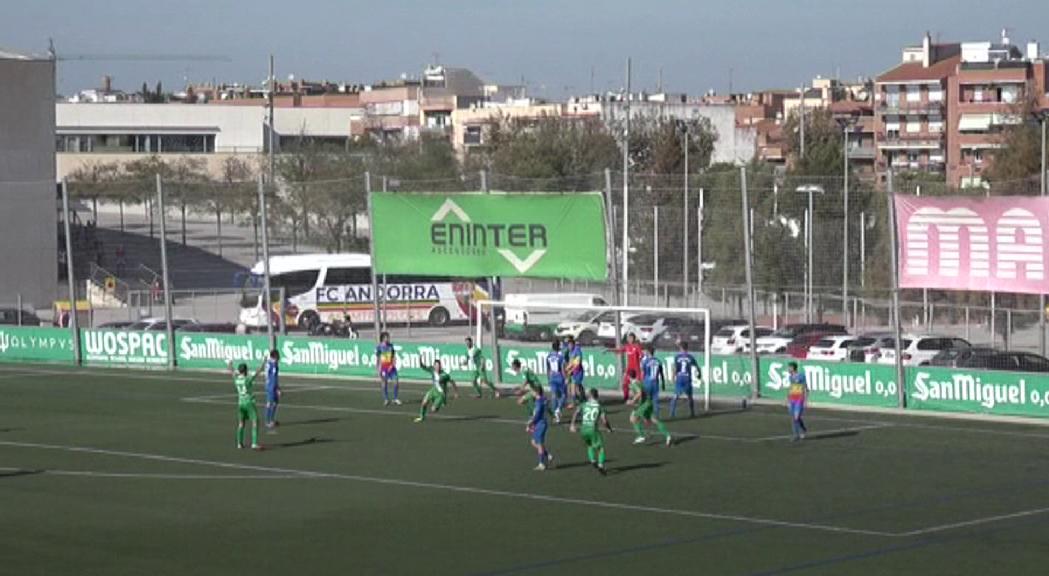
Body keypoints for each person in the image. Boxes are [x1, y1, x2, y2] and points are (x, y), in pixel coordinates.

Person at [516, 359, 554, 471]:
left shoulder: (538, 403)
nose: (531, 392)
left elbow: (536, 415)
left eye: (532, 391)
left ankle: (542, 464)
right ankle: (548, 456)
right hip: (539, 423)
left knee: (539, 444)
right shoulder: (540, 400)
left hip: (540, 424)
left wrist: (530, 423)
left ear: (535, 392)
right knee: (534, 442)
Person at [631, 347, 672, 447]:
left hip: (648, 385)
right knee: (652, 417)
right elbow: (661, 373)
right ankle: (667, 435)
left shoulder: (646, 361)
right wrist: (663, 383)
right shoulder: (658, 361)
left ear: (648, 352)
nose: (644, 353)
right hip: (656, 385)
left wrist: (633, 400)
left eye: (645, 351)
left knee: (634, 417)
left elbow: (643, 373)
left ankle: (641, 435)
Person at [570, 388, 613, 475]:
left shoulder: (584, 404)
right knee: (600, 448)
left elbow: (576, 412)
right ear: (597, 396)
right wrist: (609, 428)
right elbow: (604, 420)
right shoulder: (599, 406)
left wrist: (572, 424)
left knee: (589, 445)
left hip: (583, 429)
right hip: (592, 429)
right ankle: (600, 465)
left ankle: (593, 460)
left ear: (589, 396)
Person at [228, 360, 264, 450]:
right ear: (245, 370)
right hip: (249, 402)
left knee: (241, 423)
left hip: (240, 403)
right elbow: (258, 371)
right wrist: (264, 362)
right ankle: (254, 443)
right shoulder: (247, 379)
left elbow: (232, 372)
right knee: (255, 421)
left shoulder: (236, 379)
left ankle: (239, 443)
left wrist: (230, 365)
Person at [606, 333, 643, 403]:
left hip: (636, 369)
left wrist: (641, 361)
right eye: (628, 338)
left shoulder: (637, 346)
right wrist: (609, 350)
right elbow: (619, 350)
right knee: (625, 384)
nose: (629, 339)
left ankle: (640, 399)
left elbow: (641, 355)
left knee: (638, 385)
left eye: (631, 338)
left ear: (634, 339)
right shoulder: (627, 346)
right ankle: (626, 398)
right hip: (629, 368)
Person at [671, 341, 700, 419]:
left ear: (680, 348)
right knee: (690, 397)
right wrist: (699, 374)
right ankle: (692, 413)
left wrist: (673, 377)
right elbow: (697, 367)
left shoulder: (677, 357)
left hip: (680, 378)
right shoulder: (690, 357)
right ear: (687, 348)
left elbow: (675, 368)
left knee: (675, 396)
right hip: (687, 378)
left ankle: (672, 413)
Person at [376, 332, 401, 406]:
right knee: (384, 384)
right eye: (387, 337)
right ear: (383, 338)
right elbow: (378, 359)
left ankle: (395, 398)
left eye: (388, 337)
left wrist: (393, 364)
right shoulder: (379, 347)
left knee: (396, 382)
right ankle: (386, 399)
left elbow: (394, 356)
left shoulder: (391, 346)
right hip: (384, 368)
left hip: (391, 367)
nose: (388, 339)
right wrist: (378, 368)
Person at [547, 340, 568, 423]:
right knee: (564, 395)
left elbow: (548, 369)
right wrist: (565, 377)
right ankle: (558, 409)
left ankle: (555, 413)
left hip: (552, 377)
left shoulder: (549, 356)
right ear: (558, 347)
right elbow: (562, 368)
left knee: (554, 395)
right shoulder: (560, 356)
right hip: (559, 377)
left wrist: (548, 378)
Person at [787, 361, 808, 441]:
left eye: (789, 367)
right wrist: (788, 399)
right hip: (792, 398)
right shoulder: (790, 377)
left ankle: (802, 429)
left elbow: (805, 388)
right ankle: (796, 435)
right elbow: (791, 388)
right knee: (793, 418)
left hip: (799, 399)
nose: (788, 369)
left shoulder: (801, 376)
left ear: (793, 368)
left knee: (796, 417)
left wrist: (805, 400)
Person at [565, 336, 586, 408]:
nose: (569, 346)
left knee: (575, 387)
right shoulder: (570, 352)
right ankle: (582, 399)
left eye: (570, 345)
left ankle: (578, 402)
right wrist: (568, 368)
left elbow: (578, 363)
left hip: (578, 372)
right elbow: (571, 362)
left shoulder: (577, 351)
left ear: (573, 344)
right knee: (574, 387)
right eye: (568, 345)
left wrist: (570, 369)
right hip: (573, 372)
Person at [264, 349, 281, 429]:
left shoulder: (269, 363)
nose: (279, 357)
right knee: (270, 403)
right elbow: (274, 377)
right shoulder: (274, 364)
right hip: (272, 386)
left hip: (270, 385)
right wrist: (277, 388)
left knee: (275, 402)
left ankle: (271, 420)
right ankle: (268, 421)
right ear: (275, 356)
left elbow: (267, 375)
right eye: (278, 355)